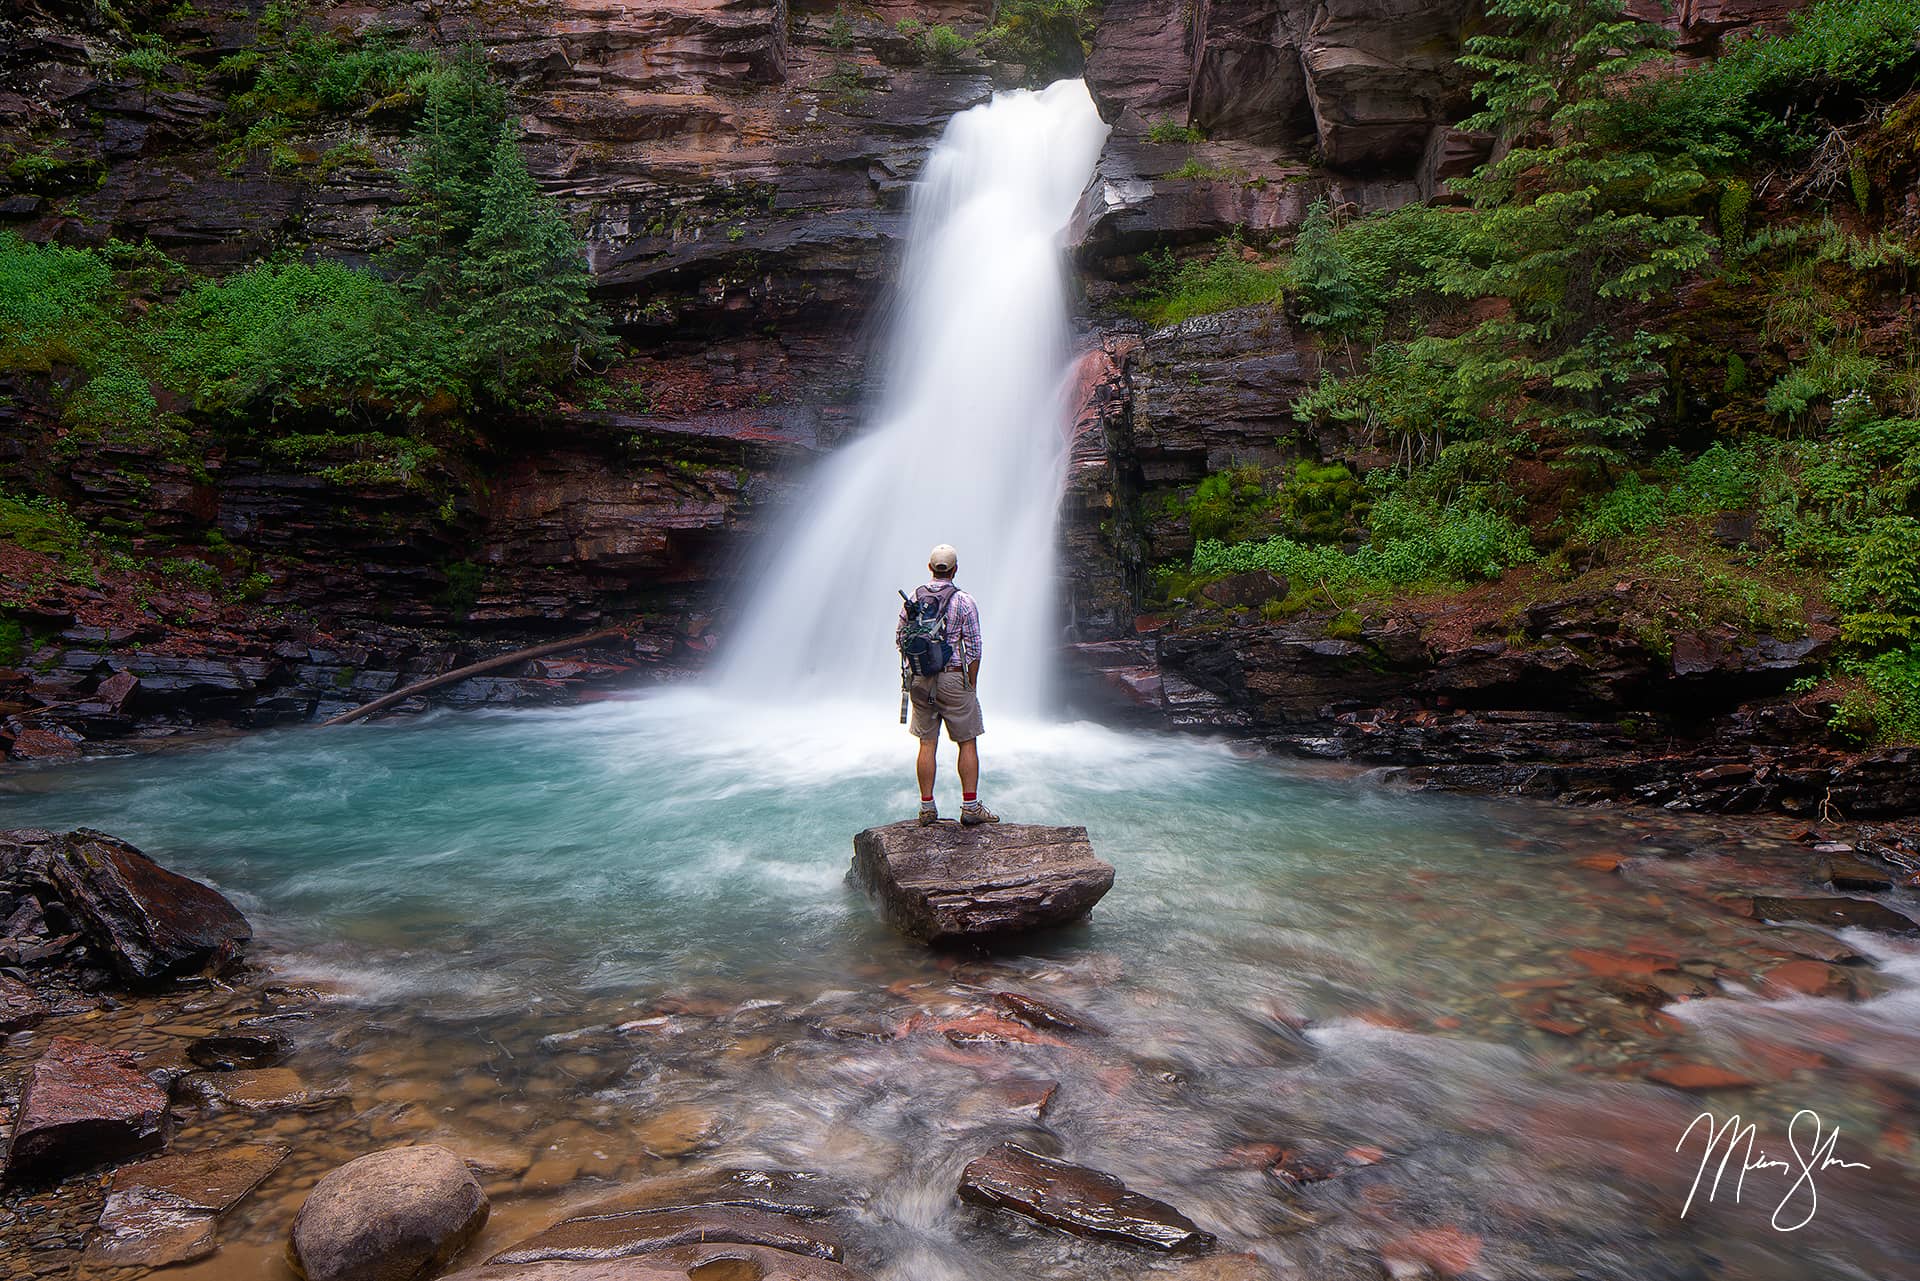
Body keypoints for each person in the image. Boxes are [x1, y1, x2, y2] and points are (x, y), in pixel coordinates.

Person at [897, 543, 998, 827]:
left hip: (920, 680)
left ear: (930, 568)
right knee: (967, 742)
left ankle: (927, 808)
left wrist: (916, 668)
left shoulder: (913, 599)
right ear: (954, 570)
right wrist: (971, 683)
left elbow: (899, 638)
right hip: (954, 677)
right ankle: (970, 806)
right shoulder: (964, 601)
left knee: (926, 743)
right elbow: (975, 647)